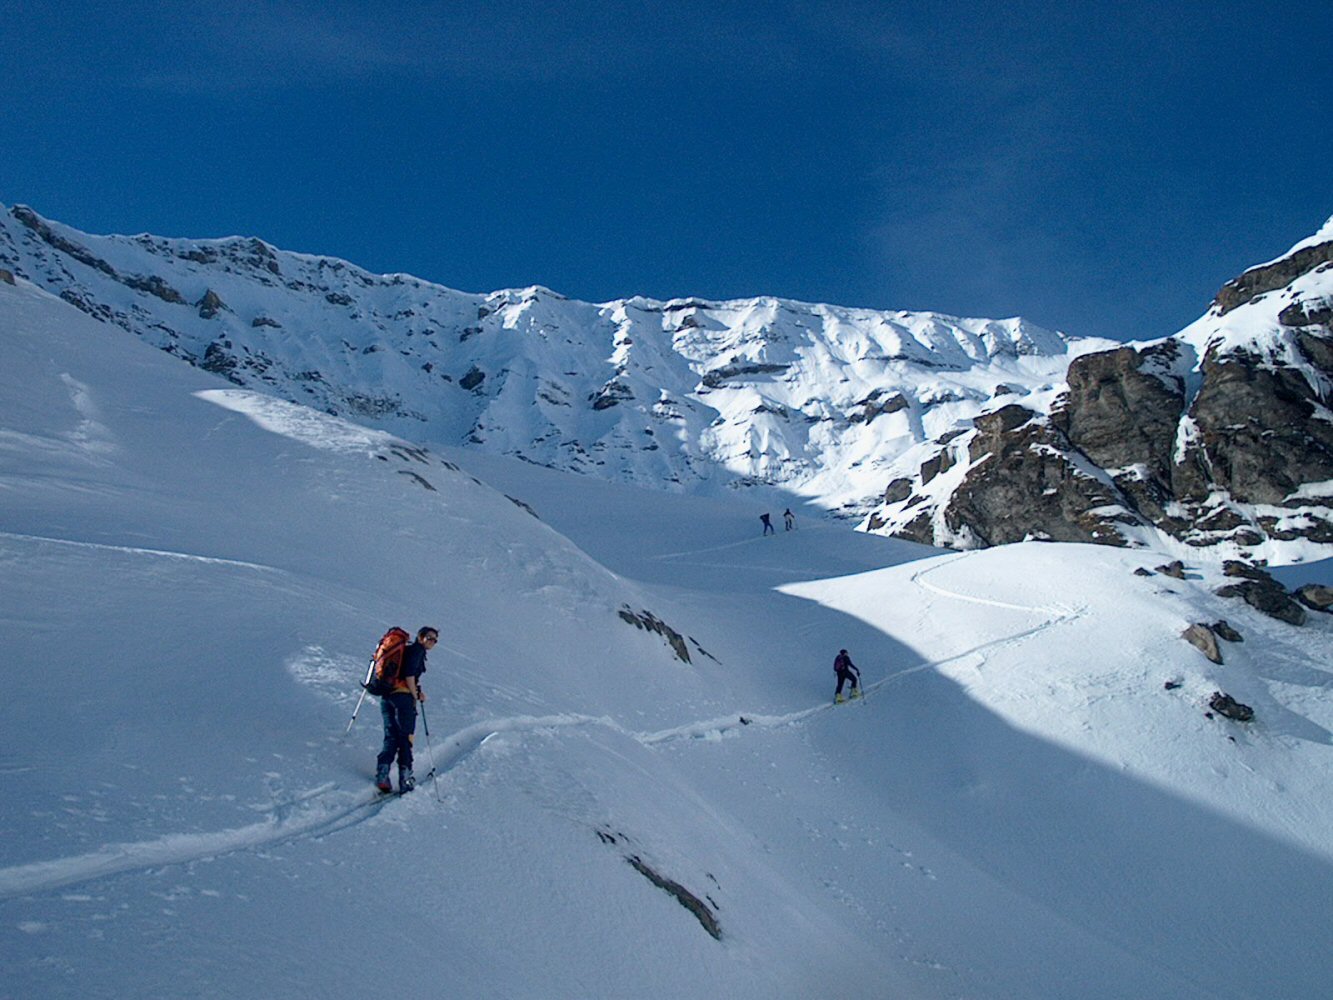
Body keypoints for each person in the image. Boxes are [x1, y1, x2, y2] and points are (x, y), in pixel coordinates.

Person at [375, 626, 437, 793]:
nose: (432, 642)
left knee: (391, 736)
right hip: (403, 699)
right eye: (430, 638)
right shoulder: (417, 651)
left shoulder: (405, 651)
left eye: (435, 640)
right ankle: (405, 778)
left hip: (387, 696)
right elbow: (409, 675)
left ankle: (382, 774)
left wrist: (416, 691)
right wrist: (415, 695)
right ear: (421, 637)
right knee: (405, 738)